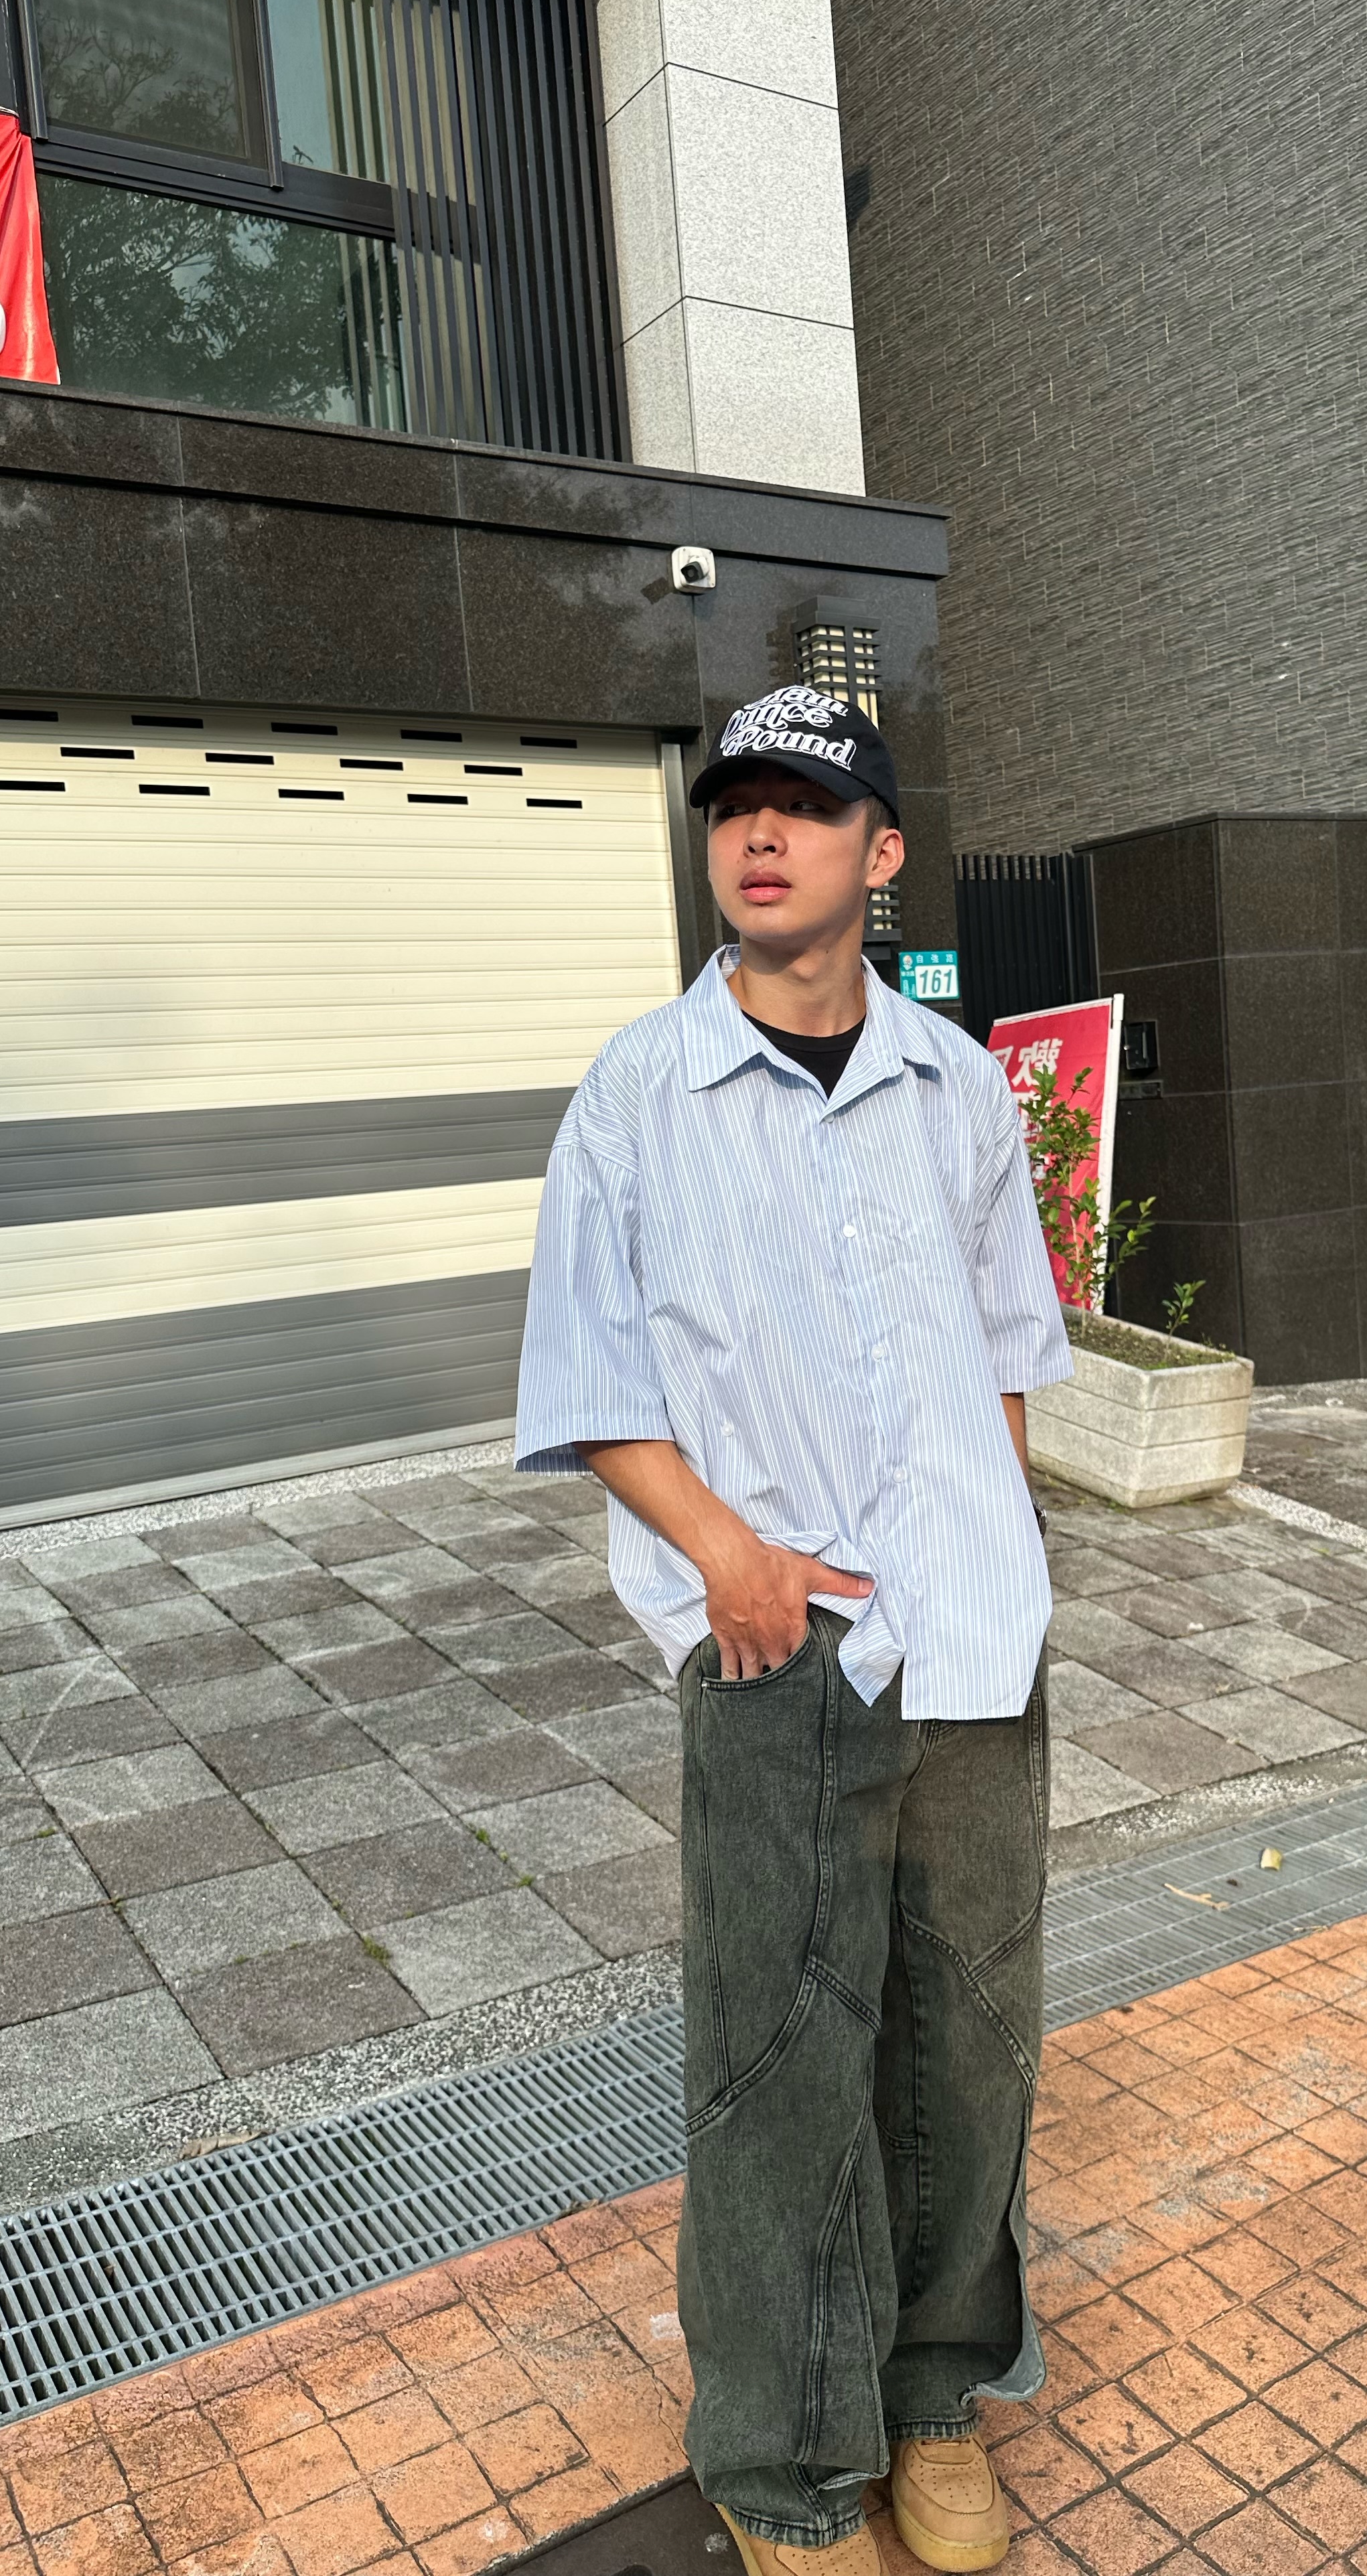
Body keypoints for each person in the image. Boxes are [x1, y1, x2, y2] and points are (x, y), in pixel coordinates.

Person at [514, 684, 1071, 2576]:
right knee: (779, 2053)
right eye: (733, 806)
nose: (759, 835)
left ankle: (934, 2398)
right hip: (774, 1645)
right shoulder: (638, 1093)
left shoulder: (960, 1088)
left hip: (972, 1639)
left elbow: (1010, 1350)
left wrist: (996, 1544)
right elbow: (591, 1378)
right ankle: (782, 2462)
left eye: (805, 808)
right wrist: (728, 1563)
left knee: (970, 2032)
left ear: (879, 852)